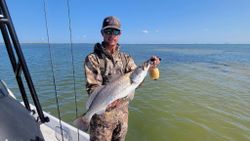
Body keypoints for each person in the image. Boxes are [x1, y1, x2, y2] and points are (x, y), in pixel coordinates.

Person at [84, 16, 160, 141]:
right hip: (102, 120)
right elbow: (93, 88)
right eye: (108, 31)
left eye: (115, 31)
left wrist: (150, 67)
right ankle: (85, 119)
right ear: (102, 33)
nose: (111, 35)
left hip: (122, 117)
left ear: (120, 34)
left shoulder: (126, 58)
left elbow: (138, 80)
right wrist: (105, 105)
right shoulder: (93, 58)